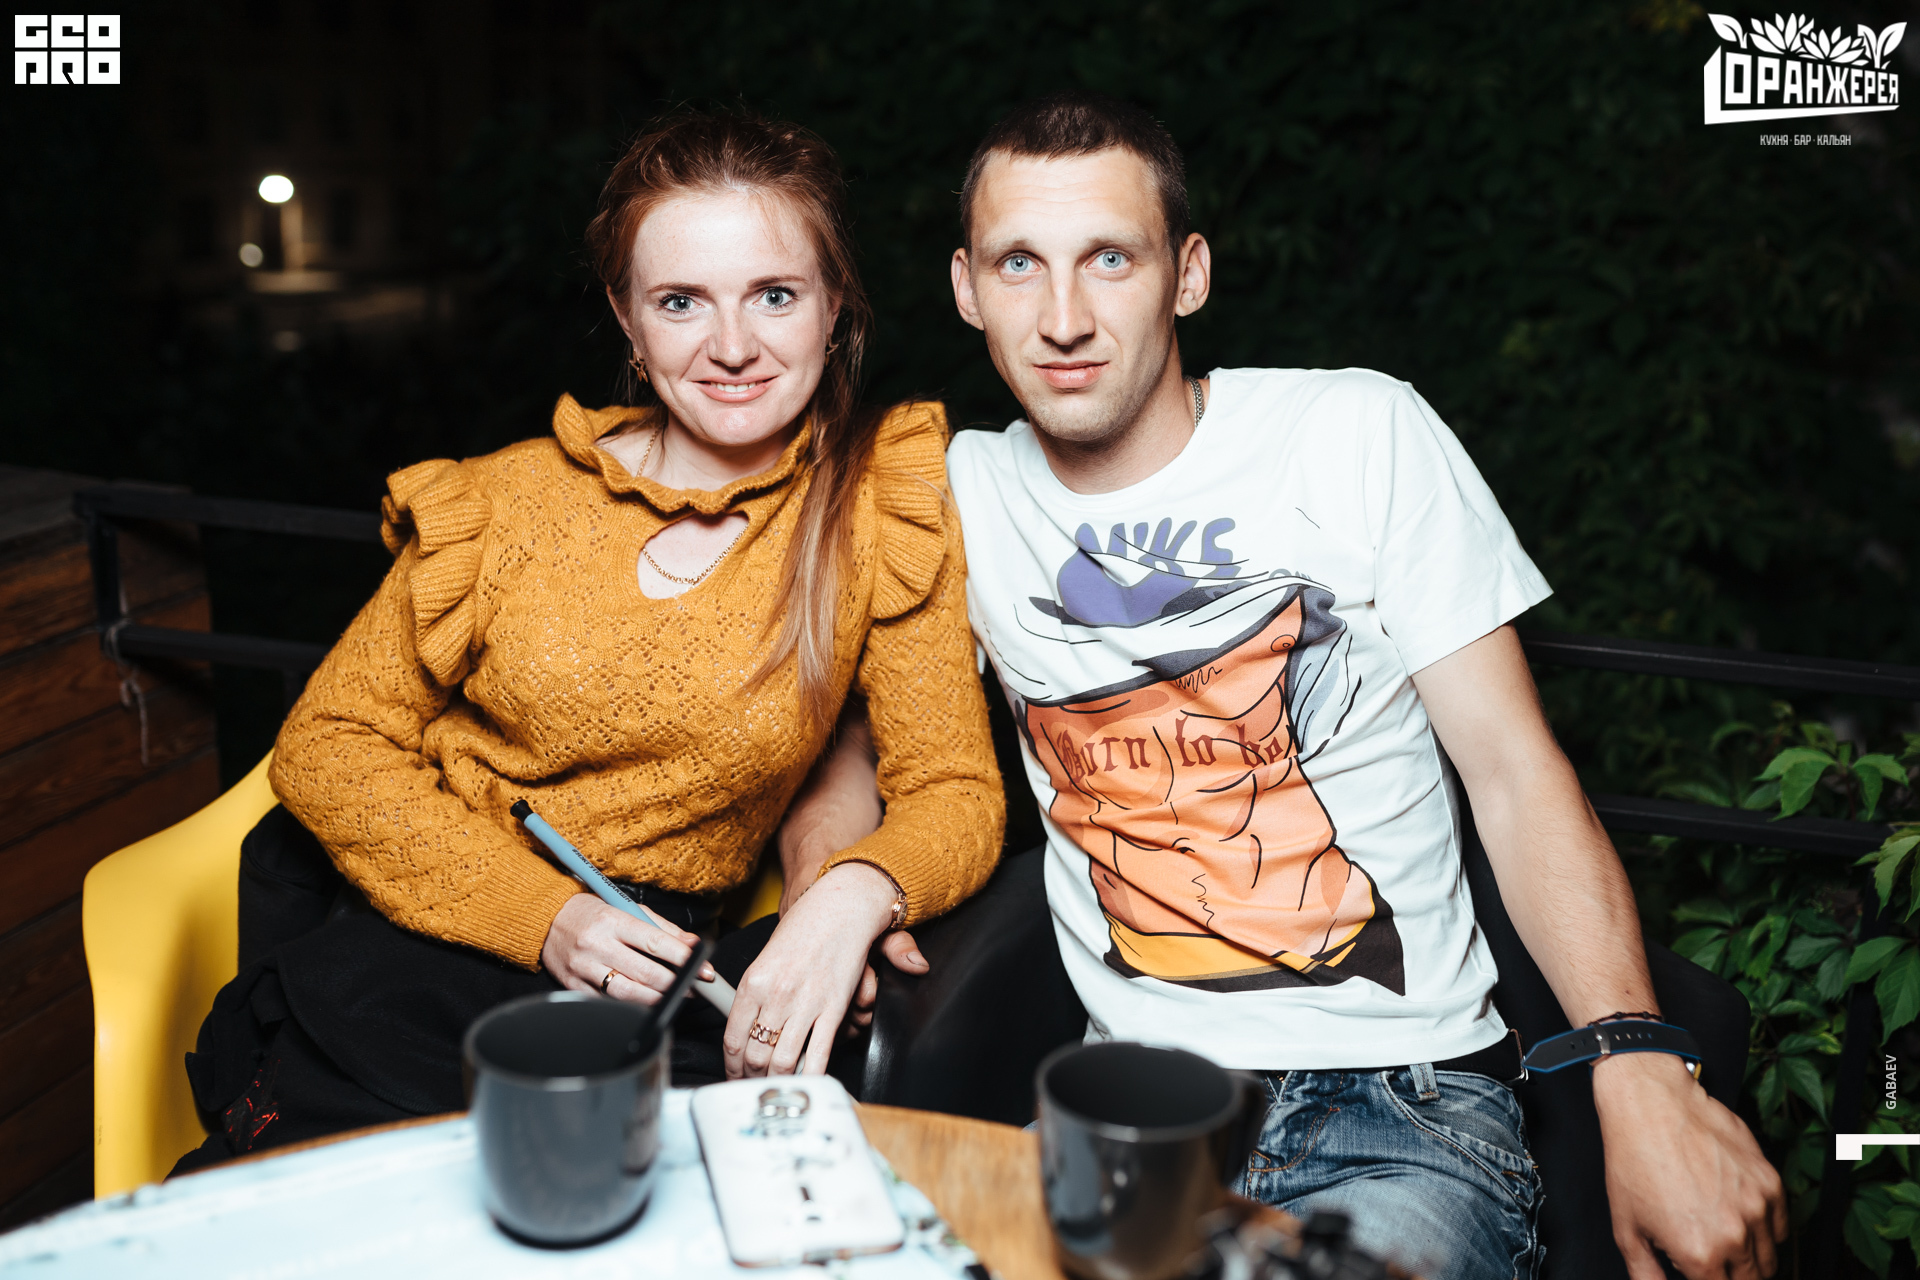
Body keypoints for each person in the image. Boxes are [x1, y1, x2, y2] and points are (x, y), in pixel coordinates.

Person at [792, 93, 1787, 1280]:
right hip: (1127, 1121)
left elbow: (1516, 773)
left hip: (1402, 1115)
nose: (1063, 317)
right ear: (967, 289)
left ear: (1188, 274)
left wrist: (1638, 1067)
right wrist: (832, 901)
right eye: (1021, 263)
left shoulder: (1356, 431)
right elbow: (849, 749)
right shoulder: (956, 495)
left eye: (1110, 258)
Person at [175, 111, 1003, 1172]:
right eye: (680, 301)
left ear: (835, 302)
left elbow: (954, 788)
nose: (733, 346)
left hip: (655, 977)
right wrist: (542, 914)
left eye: (775, 295)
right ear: (628, 319)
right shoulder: (503, 502)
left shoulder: (880, 501)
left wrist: (850, 892)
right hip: (434, 930)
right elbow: (327, 745)